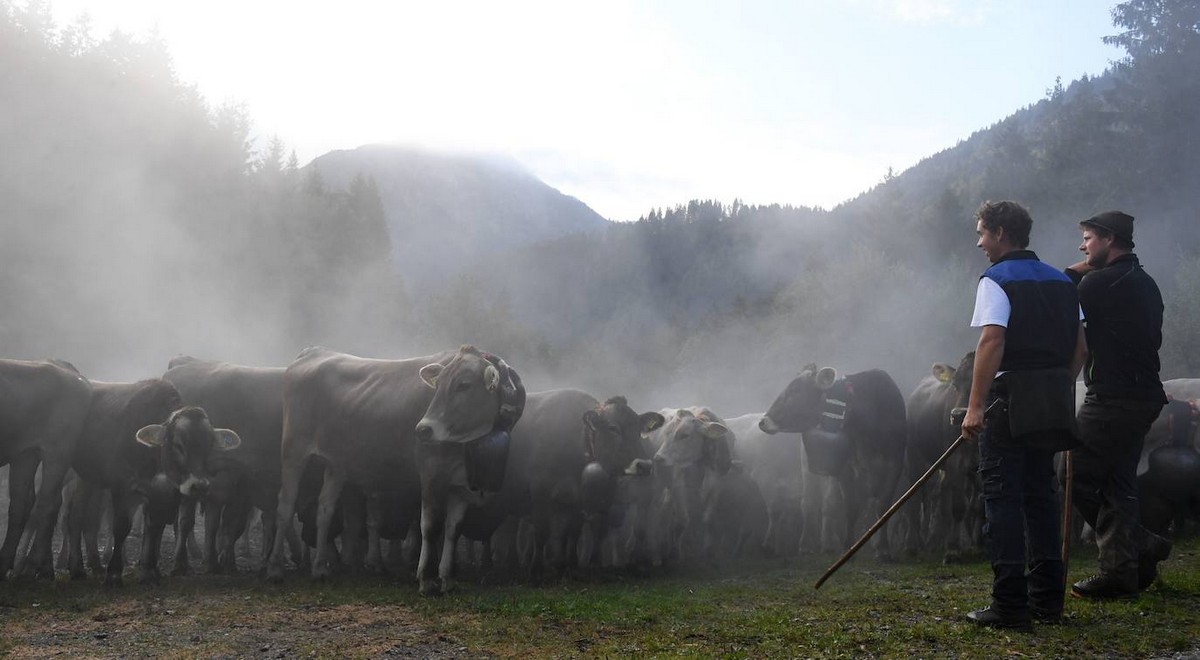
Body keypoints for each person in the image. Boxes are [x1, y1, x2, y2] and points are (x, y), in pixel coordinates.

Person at [961, 200, 1087, 631]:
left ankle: (1010, 606)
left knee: (1002, 497)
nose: (979, 242)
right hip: (1050, 403)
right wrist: (1057, 385)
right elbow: (1081, 348)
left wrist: (976, 405)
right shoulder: (1061, 281)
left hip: (1007, 402)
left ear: (999, 232)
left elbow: (992, 341)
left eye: (981, 233)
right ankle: (1048, 602)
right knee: (1040, 496)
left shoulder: (996, 279)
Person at [1064, 211, 1171, 600]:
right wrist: (1087, 264)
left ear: (1110, 239)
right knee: (1118, 482)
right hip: (1143, 396)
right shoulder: (1145, 283)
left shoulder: (1101, 284)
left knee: (1075, 473)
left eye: (1088, 238)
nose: (1082, 245)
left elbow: (1057, 292)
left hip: (1113, 396)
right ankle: (1124, 573)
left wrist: (1075, 270)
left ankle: (1135, 547)